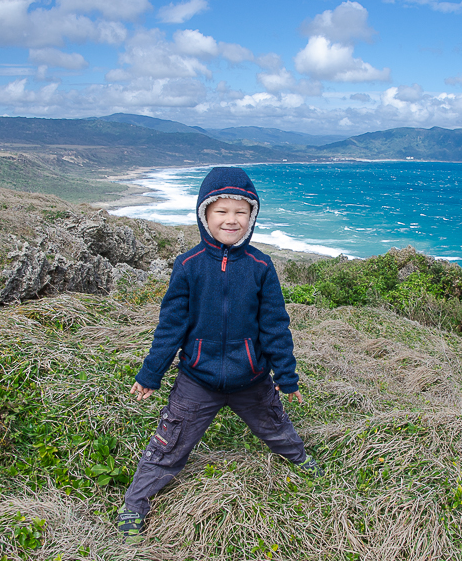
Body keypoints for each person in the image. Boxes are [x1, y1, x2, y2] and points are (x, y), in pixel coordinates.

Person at [117, 167, 321, 544]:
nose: (231, 219)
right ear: (204, 215)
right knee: (169, 444)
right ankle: (135, 503)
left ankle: (300, 458)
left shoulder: (261, 266)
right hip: (198, 379)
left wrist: (286, 377)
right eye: (221, 211)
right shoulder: (189, 265)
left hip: (252, 378)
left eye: (241, 211)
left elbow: (275, 326)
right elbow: (171, 327)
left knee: (276, 427)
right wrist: (150, 374)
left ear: (252, 217)